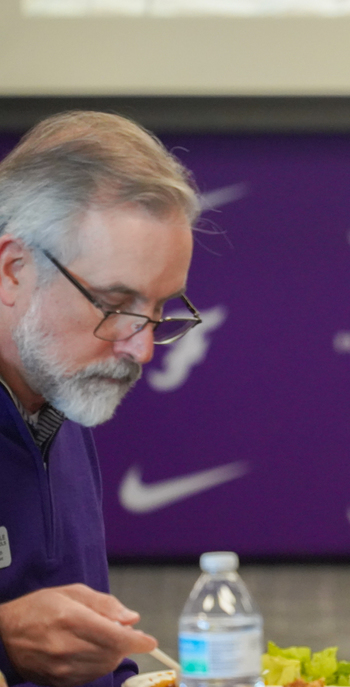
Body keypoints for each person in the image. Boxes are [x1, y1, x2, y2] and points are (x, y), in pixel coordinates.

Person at [0, 112, 203, 687]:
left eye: (161, 310)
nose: (141, 348)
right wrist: (7, 639)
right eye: (115, 305)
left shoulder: (58, 389)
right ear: (14, 269)